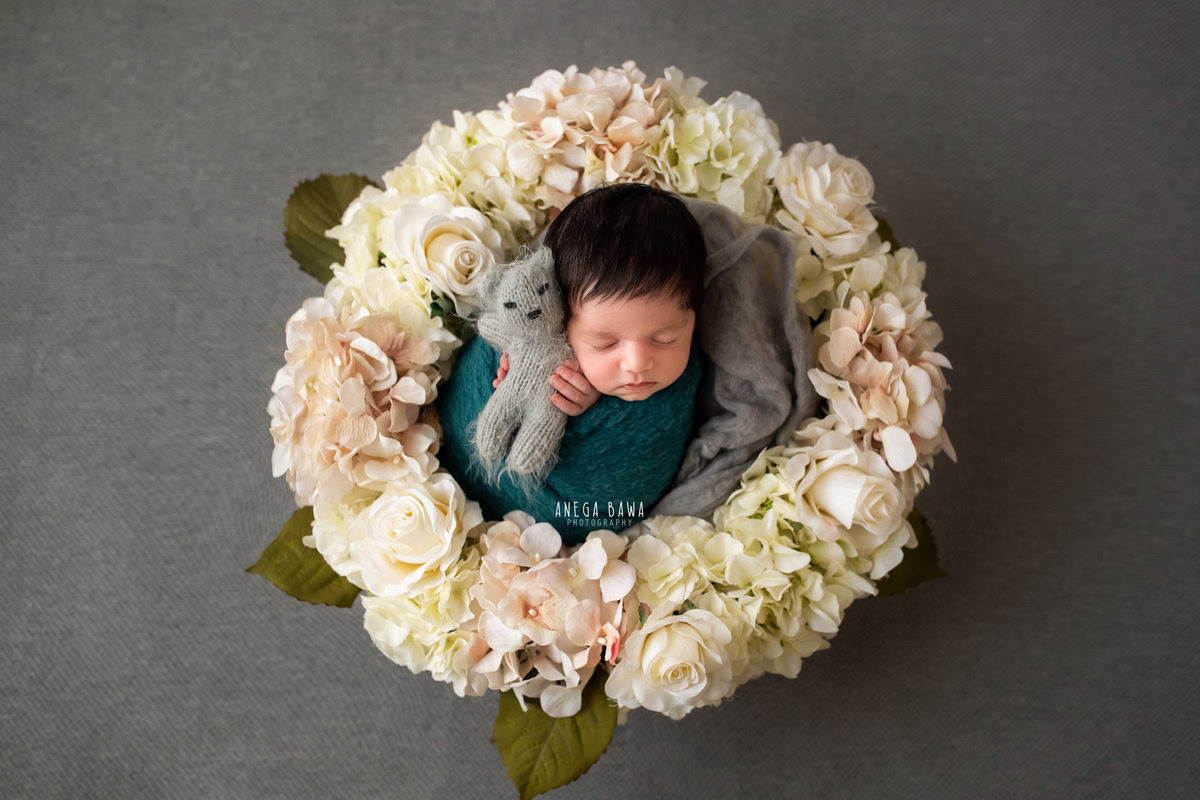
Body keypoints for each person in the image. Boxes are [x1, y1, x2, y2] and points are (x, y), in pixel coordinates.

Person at [435, 182, 708, 540]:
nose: (638, 362)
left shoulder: (686, 376)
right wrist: (521, 372)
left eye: (665, 338)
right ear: (561, 321)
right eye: (604, 343)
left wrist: (594, 401)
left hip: (590, 524)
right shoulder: (544, 331)